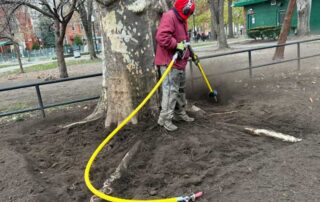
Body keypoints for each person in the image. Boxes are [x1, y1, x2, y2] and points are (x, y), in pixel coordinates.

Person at [155, 0, 196, 131]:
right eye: (188, 13)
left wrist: (191, 53)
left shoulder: (182, 19)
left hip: (180, 61)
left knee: (180, 89)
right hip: (169, 62)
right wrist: (175, 44)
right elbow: (161, 36)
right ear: (183, 9)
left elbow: (185, 40)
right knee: (170, 91)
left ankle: (180, 113)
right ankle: (165, 119)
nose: (188, 16)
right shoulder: (169, 16)